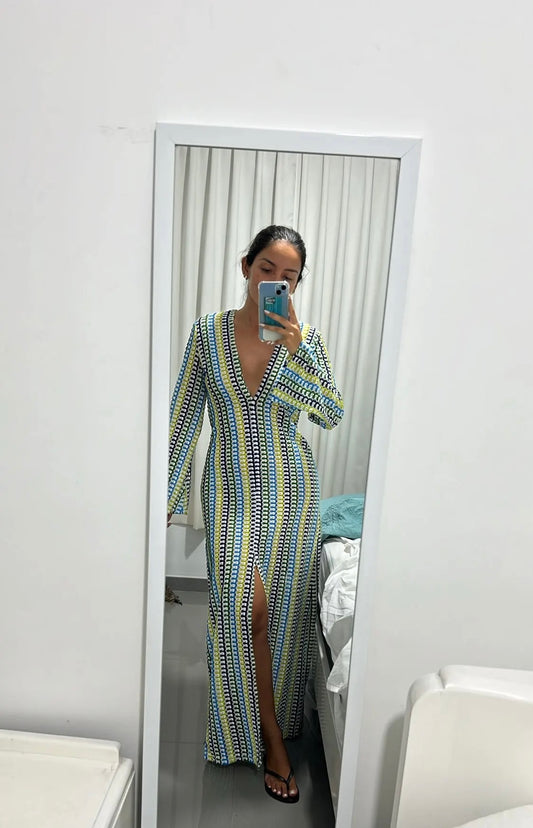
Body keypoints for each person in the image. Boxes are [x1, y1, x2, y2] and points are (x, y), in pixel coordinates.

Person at [167, 225, 344, 803]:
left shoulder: (305, 341)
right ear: (246, 266)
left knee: (281, 620)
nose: (276, 282)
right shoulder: (207, 333)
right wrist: (161, 504)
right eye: (267, 268)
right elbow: (184, 417)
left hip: (291, 488)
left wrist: (296, 352)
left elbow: (330, 413)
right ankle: (264, 739)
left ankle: (275, 727)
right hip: (229, 487)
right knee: (242, 609)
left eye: (289, 277)